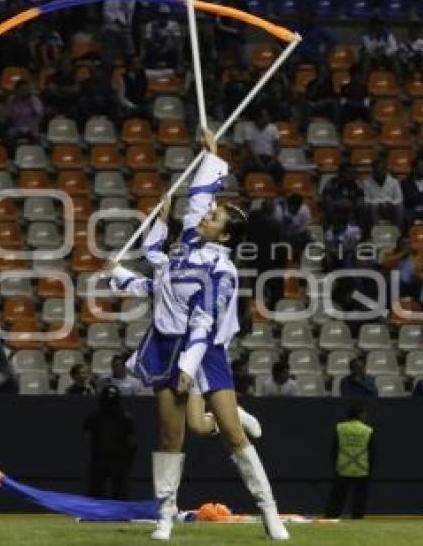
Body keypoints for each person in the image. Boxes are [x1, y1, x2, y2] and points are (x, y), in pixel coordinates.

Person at [108, 133, 288, 540]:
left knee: (231, 433)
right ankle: (166, 515)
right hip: (164, 346)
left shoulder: (222, 272)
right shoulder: (185, 241)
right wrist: (210, 153)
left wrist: (189, 367)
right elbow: (194, 201)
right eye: (207, 214)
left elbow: (204, 324)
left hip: (203, 350)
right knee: (173, 434)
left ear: (225, 237)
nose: (206, 215)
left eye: (214, 218)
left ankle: (268, 510)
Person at [83, 385, 136, 500]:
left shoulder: (127, 418)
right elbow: (87, 440)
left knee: (119, 492)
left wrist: (128, 461)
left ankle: (119, 514)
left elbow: (131, 442)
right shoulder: (92, 418)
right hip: (100, 459)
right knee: (96, 491)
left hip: (118, 460)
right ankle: (95, 513)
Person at [325, 404, 375, 520]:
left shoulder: (340, 428)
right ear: (360, 415)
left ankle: (331, 517)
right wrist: (370, 469)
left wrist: (335, 466)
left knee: (337, 497)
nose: (366, 415)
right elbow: (372, 452)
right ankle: (357, 518)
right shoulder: (367, 430)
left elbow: (334, 449)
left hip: (342, 468)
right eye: (364, 413)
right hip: (362, 469)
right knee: (360, 498)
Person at [360, 162, 404, 231]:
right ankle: (374, 232)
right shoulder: (366, 183)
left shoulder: (394, 182)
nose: (379, 172)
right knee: (373, 206)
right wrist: (378, 202)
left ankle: (398, 233)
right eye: (377, 170)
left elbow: (399, 198)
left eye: (381, 170)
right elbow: (366, 199)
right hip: (374, 207)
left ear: (385, 170)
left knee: (399, 207)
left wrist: (390, 203)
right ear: (373, 171)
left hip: (390, 207)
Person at [243, 109, 283, 182]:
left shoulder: (273, 127)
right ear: (258, 118)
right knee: (248, 167)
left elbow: (277, 147)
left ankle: (274, 190)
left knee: (280, 170)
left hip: (270, 158)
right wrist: (259, 162)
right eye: (265, 116)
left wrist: (273, 161)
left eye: (267, 116)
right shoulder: (248, 127)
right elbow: (249, 148)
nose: (268, 118)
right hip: (254, 157)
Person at [273, 194, 312, 259]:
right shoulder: (279, 210)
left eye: (297, 207)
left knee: (308, 239)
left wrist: (294, 233)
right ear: (288, 204)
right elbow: (277, 227)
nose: (295, 209)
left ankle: (297, 258)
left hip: (296, 235)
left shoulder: (305, 211)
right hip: (282, 235)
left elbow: (304, 227)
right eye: (293, 207)